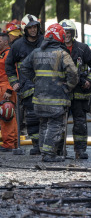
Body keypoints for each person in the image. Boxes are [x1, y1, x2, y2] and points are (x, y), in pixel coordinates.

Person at [21, 23, 78, 162]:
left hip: (39, 99)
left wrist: (35, 79)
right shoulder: (62, 54)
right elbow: (74, 74)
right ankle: (49, 155)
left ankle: (44, 152)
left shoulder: (36, 52)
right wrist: (68, 87)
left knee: (44, 124)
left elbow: (23, 68)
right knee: (55, 125)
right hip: (56, 99)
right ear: (60, 37)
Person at [59, 19, 91, 159]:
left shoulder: (82, 49)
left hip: (79, 93)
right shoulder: (56, 49)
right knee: (59, 123)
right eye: (64, 32)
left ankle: (80, 150)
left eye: (69, 32)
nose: (66, 35)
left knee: (80, 124)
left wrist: (90, 79)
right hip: (61, 93)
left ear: (73, 33)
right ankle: (59, 150)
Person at [5, 14, 44, 155]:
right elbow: (9, 65)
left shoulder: (45, 42)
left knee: (48, 117)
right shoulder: (17, 46)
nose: (33, 30)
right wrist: (14, 82)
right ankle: (36, 145)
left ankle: (50, 146)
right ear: (24, 29)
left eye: (35, 27)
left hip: (46, 87)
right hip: (27, 89)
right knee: (32, 118)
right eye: (30, 28)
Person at [0, 33, 18, 152]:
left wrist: (9, 90)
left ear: (5, 42)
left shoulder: (9, 54)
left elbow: (15, 72)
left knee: (7, 114)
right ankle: (13, 142)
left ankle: (9, 143)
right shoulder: (3, 54)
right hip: (3, 86)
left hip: (7, 87)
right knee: (8, 115)